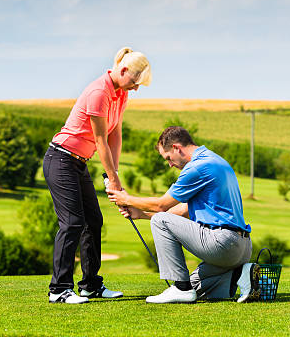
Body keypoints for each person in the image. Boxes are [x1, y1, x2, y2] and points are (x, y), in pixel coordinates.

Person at [45, 47, 152, 304]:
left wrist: (112, 173)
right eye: (134, 82)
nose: (135, 88)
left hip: (78, 163)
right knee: (71, 223)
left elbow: (115, 135)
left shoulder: (120, 94)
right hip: (60, 159)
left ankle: (90, 285)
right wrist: (113, 181)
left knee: (93, 221)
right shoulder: (98, 92)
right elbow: (100, 140)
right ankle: (59, 289)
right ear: (123, 70)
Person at [107, 126, 260, 304]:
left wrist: (126, 198)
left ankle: (180, 287)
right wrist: (142, 214)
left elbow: (161, 206)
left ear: (176, 148)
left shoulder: (197, 167)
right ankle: (242, 275)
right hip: (241, 249)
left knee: (160, 220)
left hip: (222, 243)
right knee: (196, 288)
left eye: (168, 158)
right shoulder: (215, 160)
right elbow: (183, 210)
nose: (170, 164)